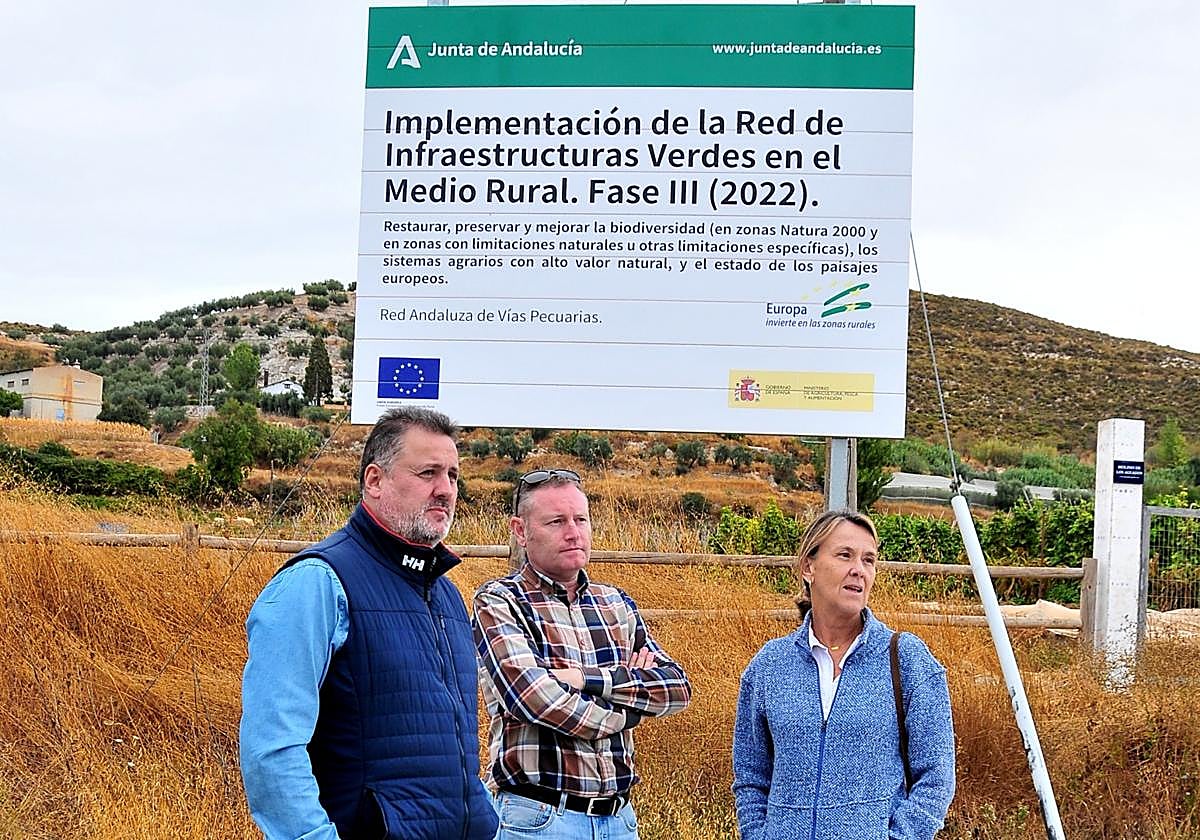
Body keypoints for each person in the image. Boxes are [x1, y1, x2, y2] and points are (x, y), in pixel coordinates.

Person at [239, 407, 499, 840]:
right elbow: (271, 750)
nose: (445, 490)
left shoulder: (446, 594)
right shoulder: (318, 582)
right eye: (428, 473)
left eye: (453, 475)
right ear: (374, 481)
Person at [472, 468, 692, 840]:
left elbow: (676, 687)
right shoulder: (501, 601)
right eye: (556, 521)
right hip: (539, 817)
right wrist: (630, 707)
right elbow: (537, 699)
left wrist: (587, 680)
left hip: (619, 819)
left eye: (580, 519)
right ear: (521, 531)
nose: (573, 532)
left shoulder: (616, 604)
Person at [732, 509, 956, 840]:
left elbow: (936, 775)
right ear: (809, 567)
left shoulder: (905, 658)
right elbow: (751, 775)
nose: (859, 570)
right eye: (844, 555)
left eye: (869, 560)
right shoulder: (770, 665)